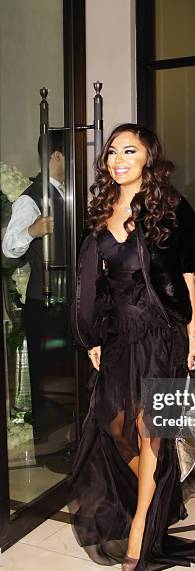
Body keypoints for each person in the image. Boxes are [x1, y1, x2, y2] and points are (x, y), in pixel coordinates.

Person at [69, 123, 195, 571]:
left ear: (149, 156)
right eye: (112, 151)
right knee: (115, 425)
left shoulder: (170, 208)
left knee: (152, 430)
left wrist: (192, 335)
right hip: (118, 337)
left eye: (130, 150)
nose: (118, 158)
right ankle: (158, 491)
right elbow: (93, 285)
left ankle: (140, 534)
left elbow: (187, 277)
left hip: (162, 333)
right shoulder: (99, 211)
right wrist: (92, 338)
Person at [2, 133, 68, 449]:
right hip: (44, 303)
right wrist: (33, 230)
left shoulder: (65, 193)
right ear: (56, 157)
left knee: (66, 375)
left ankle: (69, 440)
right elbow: (9, 247)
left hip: (66, 300)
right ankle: (51, 448)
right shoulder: (31, 198)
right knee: (48, 380)